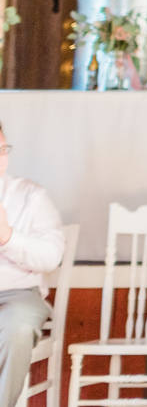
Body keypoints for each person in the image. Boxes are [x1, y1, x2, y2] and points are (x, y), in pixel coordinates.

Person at [0, 122, 64, 407]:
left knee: (16, 326)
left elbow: (51, 256)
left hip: (18, 295)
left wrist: (8, 238)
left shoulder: (30, 196)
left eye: (2, 150)